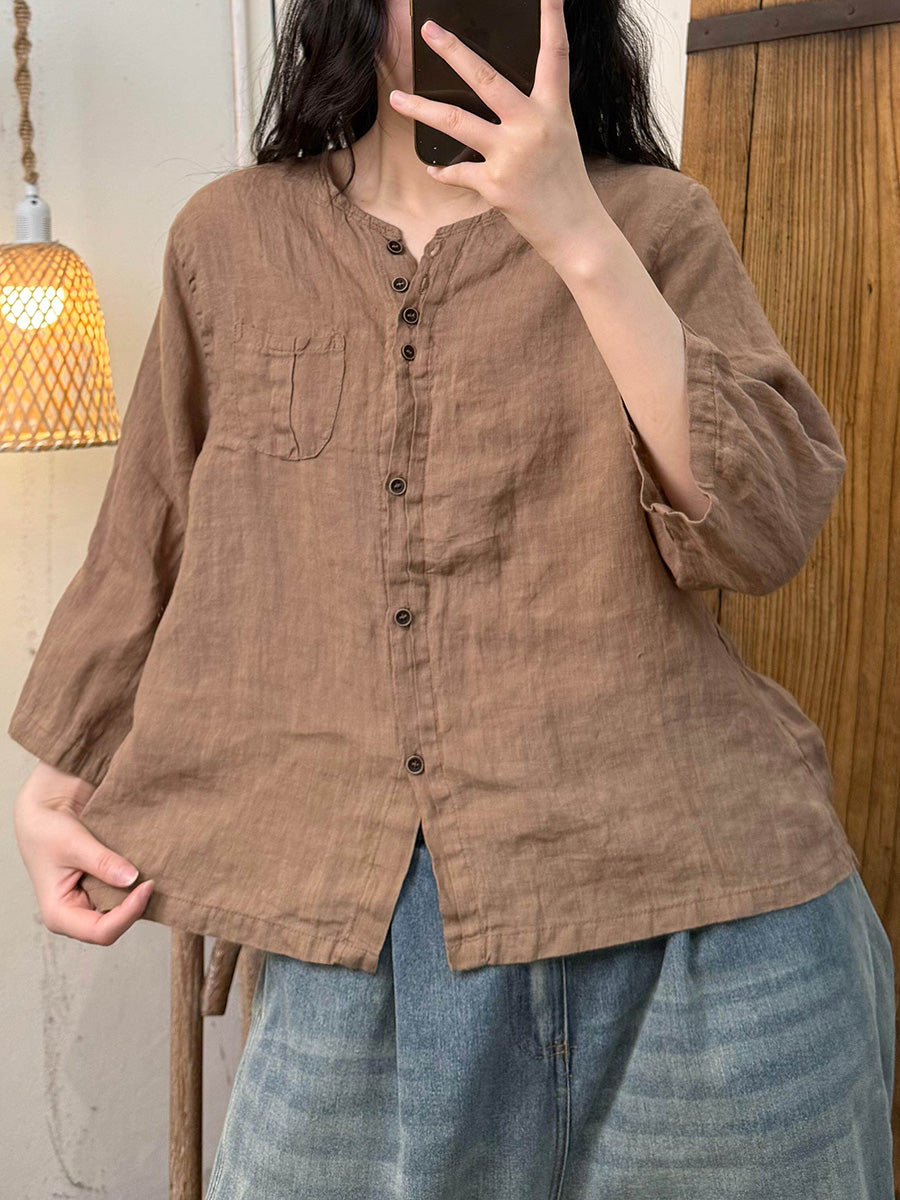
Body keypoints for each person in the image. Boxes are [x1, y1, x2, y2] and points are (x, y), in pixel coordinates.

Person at [11, 0, 895, 1195]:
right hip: (362, 931)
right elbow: (151, 524)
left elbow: (764, 526)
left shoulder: (652, 220)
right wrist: (56, 776)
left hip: (708, 930)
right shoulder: (231, 239)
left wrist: (575, 229)